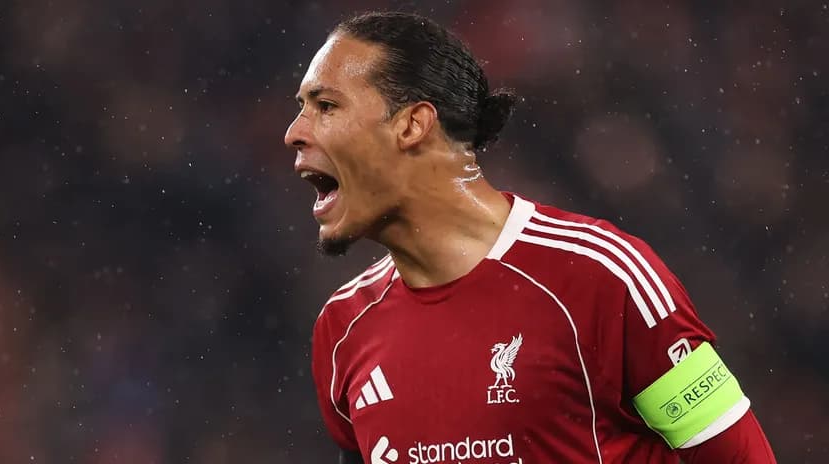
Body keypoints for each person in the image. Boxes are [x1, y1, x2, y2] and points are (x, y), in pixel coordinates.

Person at [284, 11, 776, 464]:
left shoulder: (602, 276)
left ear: (413, 124)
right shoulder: (342, 328)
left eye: (326, 105)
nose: (294, 133)